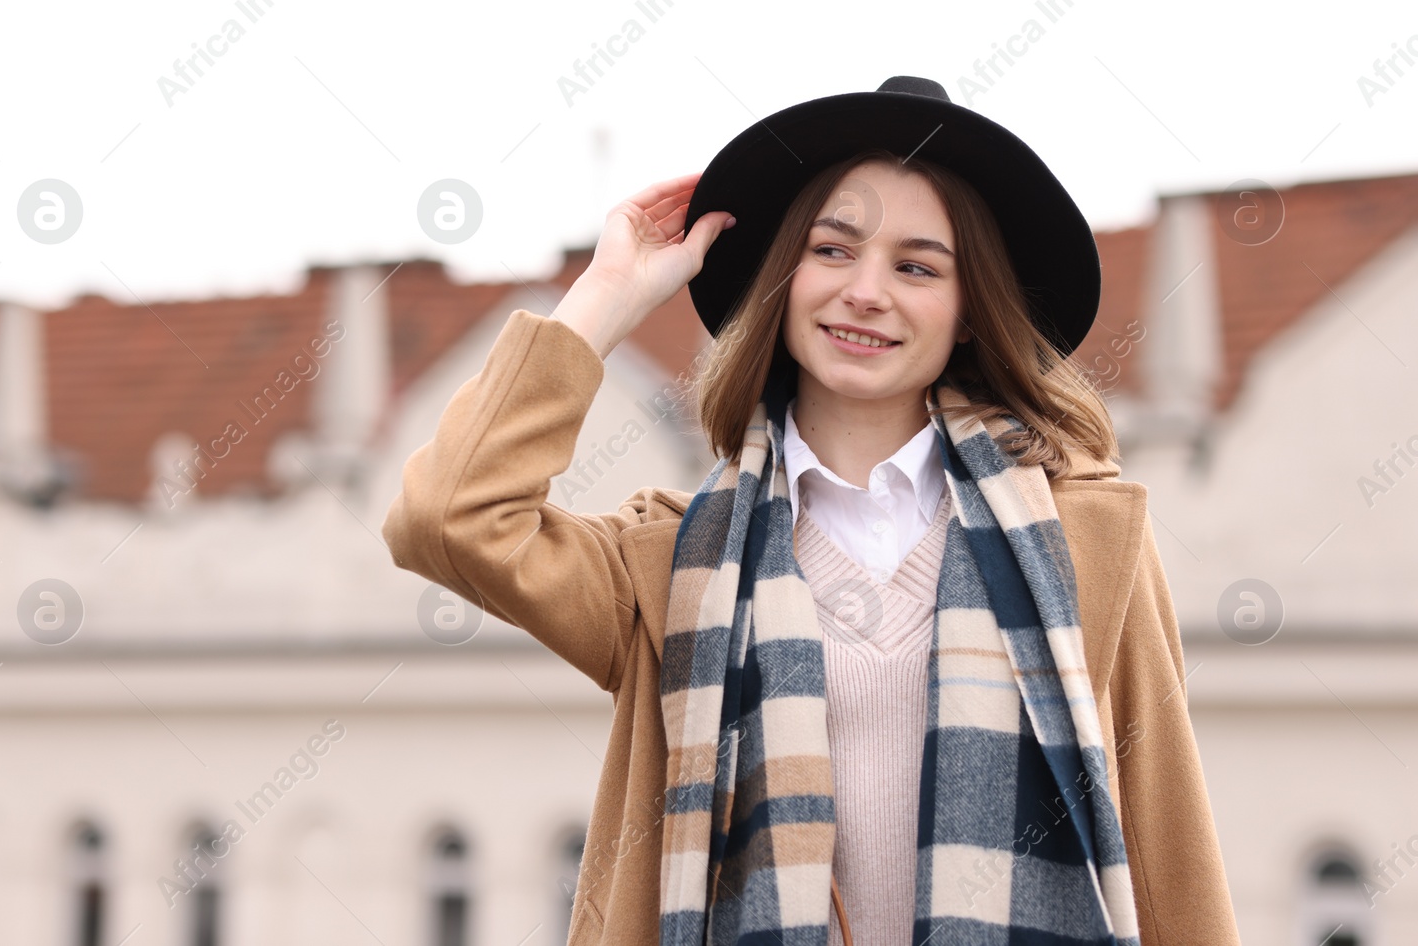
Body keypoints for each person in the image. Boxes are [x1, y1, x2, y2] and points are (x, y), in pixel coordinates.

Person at [382, 77, 1240, 946]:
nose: (866, 292)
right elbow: (449, 516)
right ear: (782, 278)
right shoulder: (669, 566)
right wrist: (607, 295)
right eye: (833, 250)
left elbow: (1172, 859)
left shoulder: (1082, 545)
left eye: (916, 266)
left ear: (971, 311)